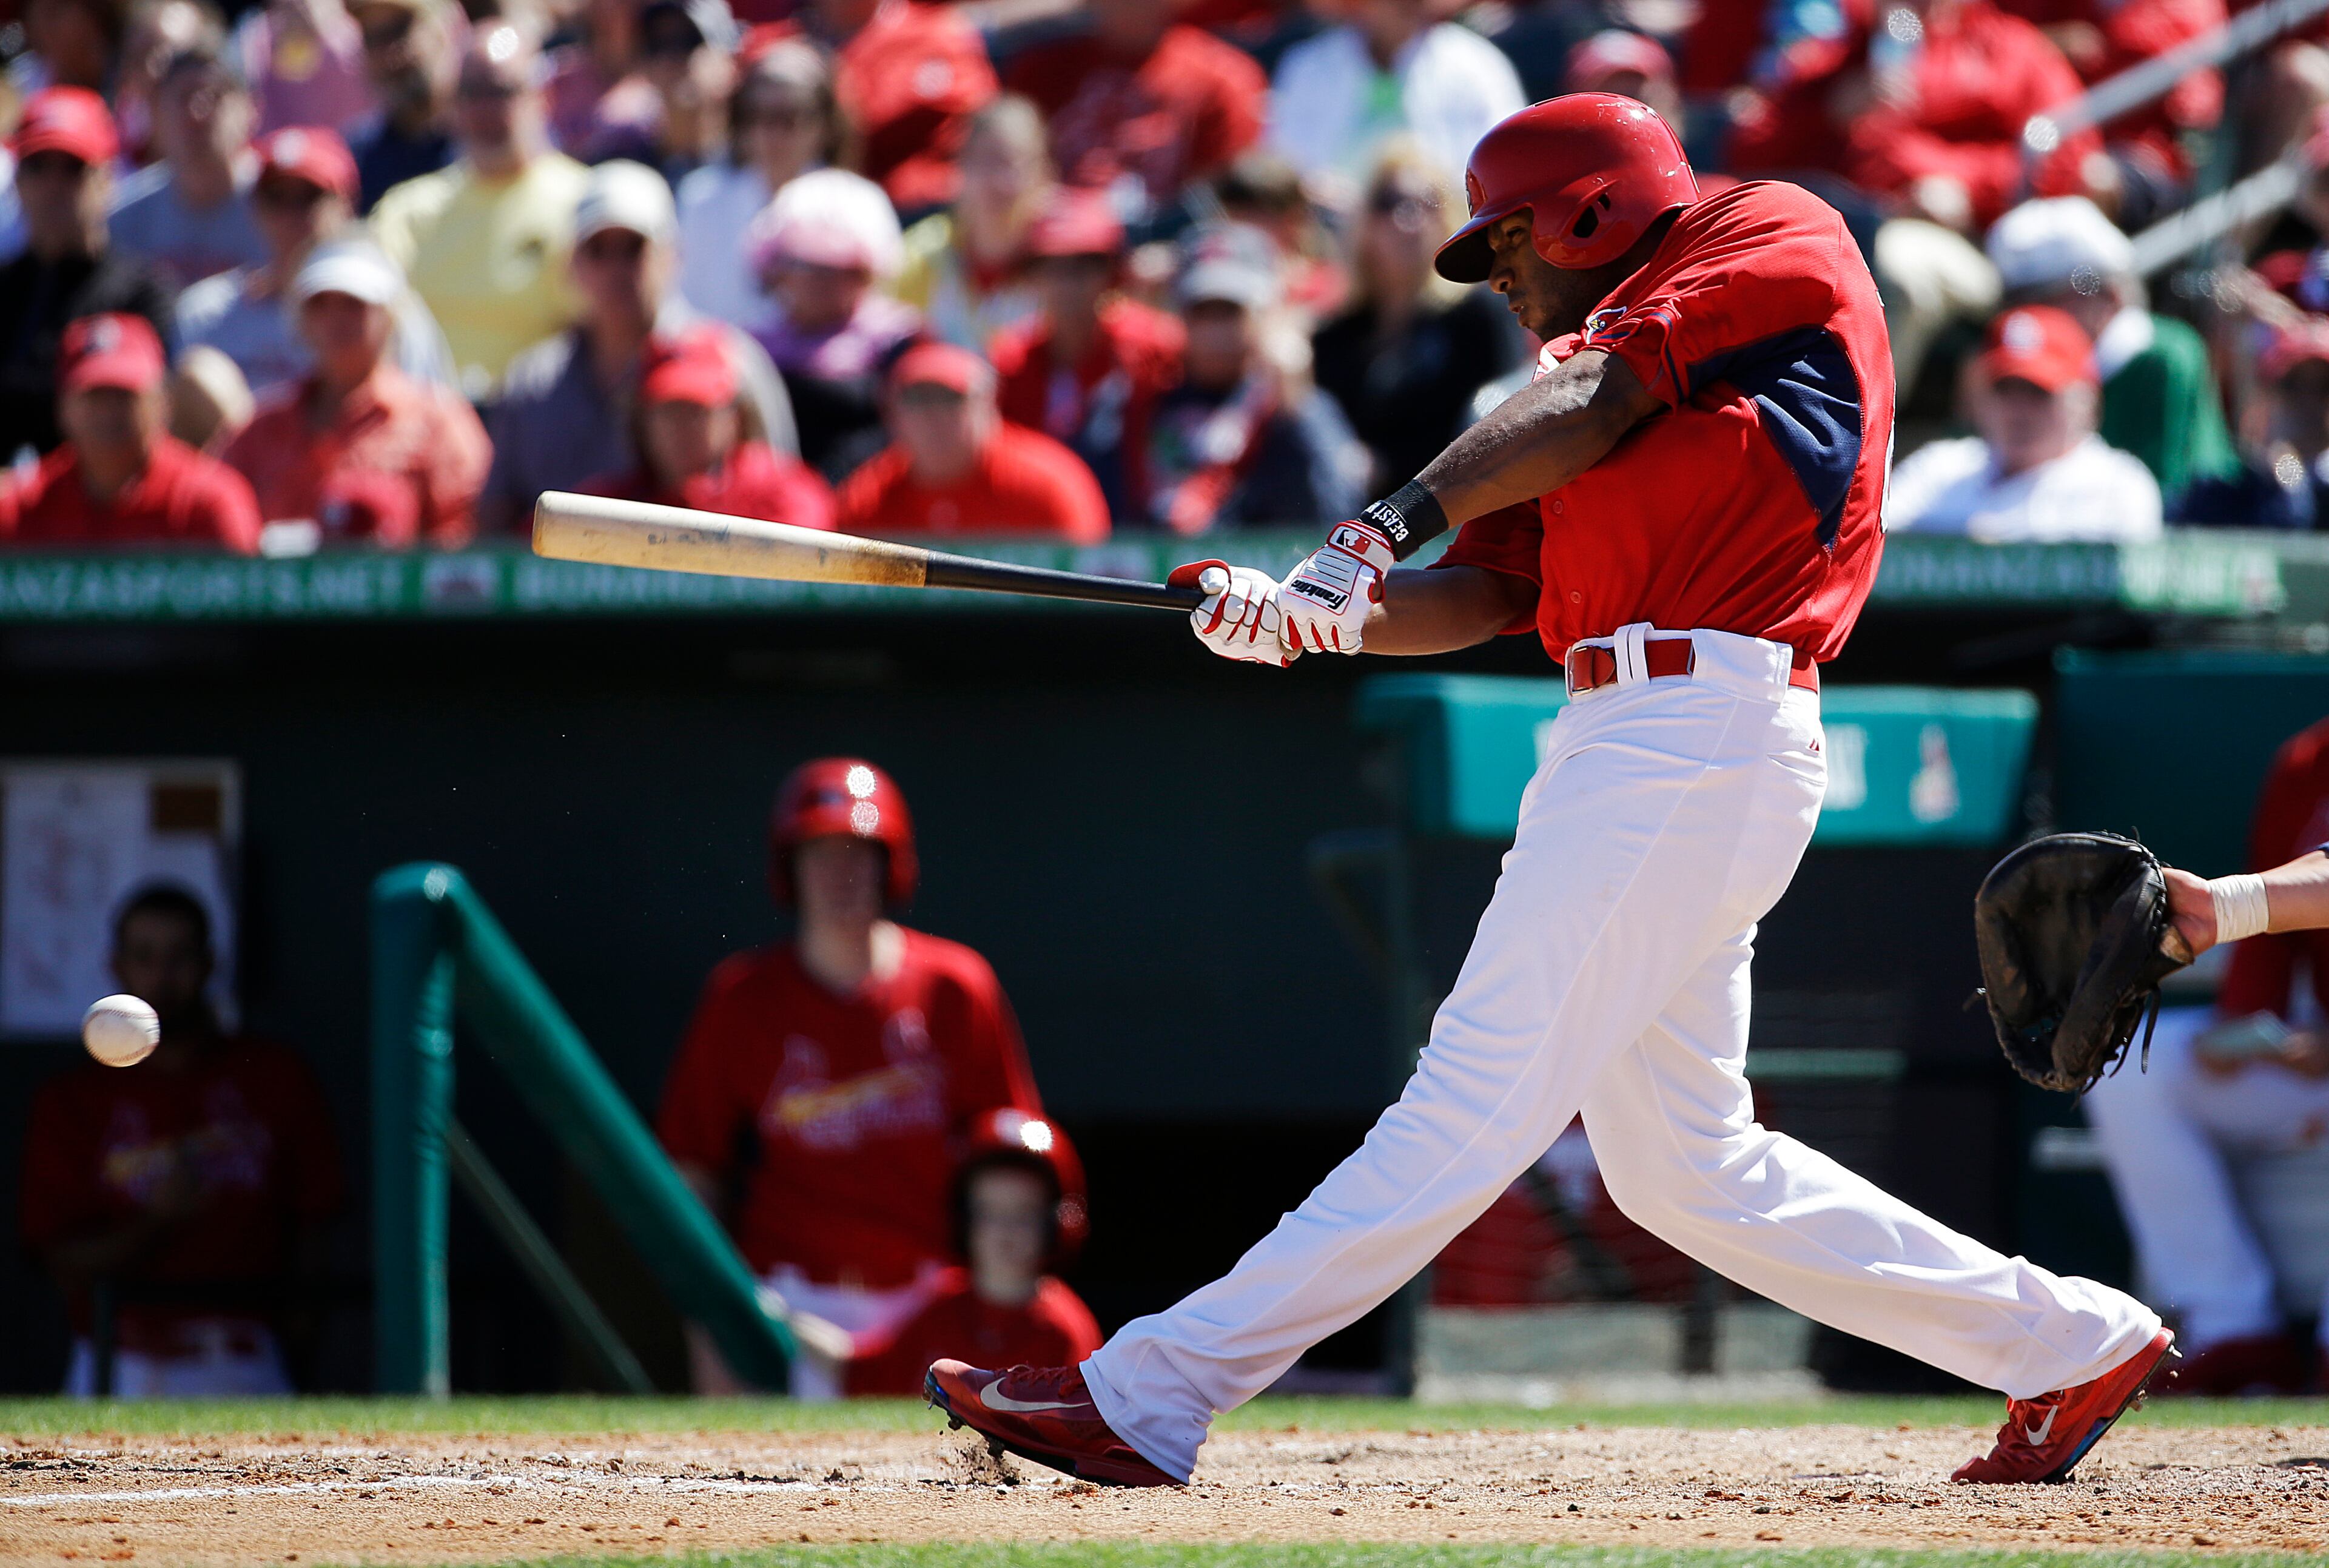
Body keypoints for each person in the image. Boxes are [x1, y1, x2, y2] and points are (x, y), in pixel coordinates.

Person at [927, 93, 2173, 1492]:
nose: (1499, 277)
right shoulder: (1565, 385)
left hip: (1696, 723)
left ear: (1592, 206)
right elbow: (1491, 593)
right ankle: (2066, 1343)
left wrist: (1371, 527)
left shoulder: (1759, 237)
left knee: (1466, 1101)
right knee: (1688, 1169)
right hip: (1637, 734)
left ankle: (1146, 1393)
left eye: (1508, 242)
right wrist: (1304, 615)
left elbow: (1598, 399)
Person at [653, 758, 1046, 1398]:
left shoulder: (956, 986)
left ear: (892, 866)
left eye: (859, 853)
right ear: (790, 869)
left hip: (931, 1301)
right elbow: (692, 1175)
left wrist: (994, 1306)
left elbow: (1014, 1166)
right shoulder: (742, 997)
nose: (841, 874)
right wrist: (713, 1322)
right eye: (821, 853)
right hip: (788, 1307)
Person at [18, 884, 343, 1396]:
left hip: (241, 1358)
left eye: (180, 956)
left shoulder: (274, 1076)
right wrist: (158, 1220)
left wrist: (301, 1337)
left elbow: (315, 1230)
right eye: (144, 956)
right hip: (116, 1357)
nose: (162, 977)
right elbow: (61, 1259)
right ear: (117, 967)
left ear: (210, 964)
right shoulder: (73, 1097)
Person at [2095, 718, 2329, 1393]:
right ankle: (2233, 1332)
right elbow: (2289, 903)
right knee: (2139, 1066)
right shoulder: (2311, 758)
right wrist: (2246, 1023)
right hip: (2310, 1051)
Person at [480, 158, 798, 533]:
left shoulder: (734, 363)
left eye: (633, 248)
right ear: (572, 264)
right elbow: (496, 522)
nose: (617, 268)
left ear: (672, 256)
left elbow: (779, 494)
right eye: (599, 250)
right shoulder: (532, 384)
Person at [368, 22, 591, 397]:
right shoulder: (406, 212)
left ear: (542, 97)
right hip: (431, 417)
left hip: (541, 418)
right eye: (472, 92)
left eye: (502, 91)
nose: (486, 110)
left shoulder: (584, 201)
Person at [221, 237, 488, 545]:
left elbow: (465, 532)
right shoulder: (262, 427)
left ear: (388, 318)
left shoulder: (439, 422)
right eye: (320, 304)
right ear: (302, 321)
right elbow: (227, 529)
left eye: (354, 304)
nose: (337, 319)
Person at [1985, 196, 2238, 499]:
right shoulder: (2008, 352)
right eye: (2019, 304)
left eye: (2049, 300)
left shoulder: (2163, 357)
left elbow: (2171, 491)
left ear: (2109, 295)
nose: (2031, 318)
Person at [176, 124, 454, 400]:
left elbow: (434, 415)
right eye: (276, 198)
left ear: (346, 204)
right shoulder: (207, 314)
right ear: (255, 208)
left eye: (308, 198)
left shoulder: (386, 311)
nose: (291, 216)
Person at [845, 1109, 1103, 1394]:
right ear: (964, 1220)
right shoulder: (941, 1307)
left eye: (1024, 1213)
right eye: (988, 1212)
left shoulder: (1066, 1330)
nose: (1006, 1231)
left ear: (1055, 1223)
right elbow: (870, 1375)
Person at [1311, 146, 1522, 494]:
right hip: (1350, 519)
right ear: (1363, 222)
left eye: (1424, 202)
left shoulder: (1478, 316)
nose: (1406, 219)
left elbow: (1501, 424)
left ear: (1449, 217)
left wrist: (1388, 465)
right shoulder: (1335, 334)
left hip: (1454, 508)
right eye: (1388, 202)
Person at [1144, 222, 1367, 534]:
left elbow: (1337, 515)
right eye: (1202, 313)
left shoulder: (1299, 408)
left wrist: (1296, 406)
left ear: (1266, 312)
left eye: (1231, 312)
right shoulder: (1153, 402)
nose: (1215, 332)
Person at [0, 89, 177, 460]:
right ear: (17, 181)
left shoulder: (142, 295)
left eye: (72, 168)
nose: (53, 187)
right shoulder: (5, 287)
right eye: (37, 166)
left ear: (106, 181)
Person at [1886, 305, 2163, 541]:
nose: (2019, 411)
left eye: (2039, 392)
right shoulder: (1938, 468)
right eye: (2004, 389)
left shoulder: (2119, 486)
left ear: (2087, 404)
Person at [989, 187, 1181, 522]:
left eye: (1084, 267)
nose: (1067, 285)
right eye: (1051, 268)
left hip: (1145, 529)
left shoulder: (1157, 346)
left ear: (1111, 274)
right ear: (1030, 277)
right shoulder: (1010, 362)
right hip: (1045, 533)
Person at [1001, 0, 1266, 235]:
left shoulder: (1223, 79)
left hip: (1162, 250)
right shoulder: (1040, 71)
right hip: (1053, 252)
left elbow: (1219, 196)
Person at [1, 312, 260, 549]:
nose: (109, 411)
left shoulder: (206, 500)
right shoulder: (21, 505)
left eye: (125, 395)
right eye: (95, 396)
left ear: (161, 403)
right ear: (63, 407)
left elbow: (246, 592)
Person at [1263, 0, 1525, 210]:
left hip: (1445, 230)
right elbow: (1285, 163)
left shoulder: (1479, 65)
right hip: (1326, 231)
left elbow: (1501, 166)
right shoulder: (1306, 65)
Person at [836, 341, 1109, 540]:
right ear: (890, 413)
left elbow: (1087, 581)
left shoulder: (1047, 482)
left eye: (951, 399)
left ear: (989, 405)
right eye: (917, 400)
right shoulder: (868, 496)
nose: (934, 417)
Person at [744, 166, 918, 478]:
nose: (816, 281)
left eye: (836, 267)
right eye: (803, 264)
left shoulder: (900, 341)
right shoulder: (751, 348)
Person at [581, 325, 833, 525]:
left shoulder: (783, 493)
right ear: (642, 422)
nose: (681, 427)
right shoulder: (611, 505)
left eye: (698, 410)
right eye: (668, 411)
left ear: (734, 418)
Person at [767, 0, 998, 214]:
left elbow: (985, 125)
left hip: (933, 215)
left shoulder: (937, 33)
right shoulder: (773, 49)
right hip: (811, 218)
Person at [675, 38, 841, 328]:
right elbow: (684, 311)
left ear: (824, 126)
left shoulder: (856, 204)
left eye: (787, 118)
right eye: (757, 116)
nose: (770, 134)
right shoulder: (701, 200)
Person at [892, 95, 1048, 353]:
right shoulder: (919, 255)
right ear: (960, 166)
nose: (1002, 181)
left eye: (1017, 163)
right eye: (988, 160)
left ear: (1045, 173)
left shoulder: (1066, 265)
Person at [109, 42, 270, 292]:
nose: (197, 113)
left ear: (252, 111)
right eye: (183, 97)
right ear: (156, 114)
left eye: (214, 96)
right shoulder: (125, 216)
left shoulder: (280, 208)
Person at [2177, 319, 2329, 528]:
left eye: (2324, 388)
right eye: (2293, 386)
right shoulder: (2224, 489)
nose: (2310, 402)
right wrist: (2286, 467)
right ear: (2265, 397)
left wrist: (2291, 475)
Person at [344, 0, 460, 212]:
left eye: (400, 30)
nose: (389, 54)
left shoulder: (487, 133)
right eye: (372, 39)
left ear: (442, 31)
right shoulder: (357, 158)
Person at [235, 0, 375, 138]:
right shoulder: (254, 39)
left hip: (362, 145)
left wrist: (324, 32)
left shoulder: (354, 25)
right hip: (291, 152)